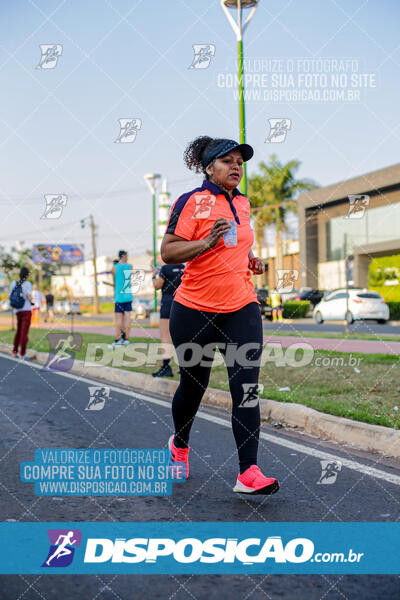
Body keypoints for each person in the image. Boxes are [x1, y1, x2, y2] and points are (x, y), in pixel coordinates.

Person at [160, 135, 280, 496]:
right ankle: (179, 446)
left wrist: (249, 261)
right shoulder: (193, 202)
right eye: (228, 161)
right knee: (193, 386)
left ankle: (248, 472)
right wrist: (205, 243)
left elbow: (238, 245)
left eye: (240, 162)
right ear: (209, 167)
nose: (236, 167)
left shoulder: (243, 204)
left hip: (241, 307)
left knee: (246, 388)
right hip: (194, 308)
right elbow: (168, 251)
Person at [151, 260, 184, 378]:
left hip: (168, 303)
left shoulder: (165, 269)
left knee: (165, 337)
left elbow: (157, 285)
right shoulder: (184, 267)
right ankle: (183, 368)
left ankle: (166, 367)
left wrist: (153, 274)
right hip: (182, 303)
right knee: (181, 337)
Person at [8, 267, 33, 360]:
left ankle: (14, 351)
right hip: (26, 310)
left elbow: (10, 295)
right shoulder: (27, 284)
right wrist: (32, 301)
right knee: (24, 333)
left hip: (17, 310)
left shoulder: (13, 283)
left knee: (18, 331)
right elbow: (29, 297)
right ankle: (22, 353)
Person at [112, 250, 132, 346]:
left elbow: (114, 279)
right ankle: (126, 339)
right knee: (127, 318)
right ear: (123, 256)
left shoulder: (115, 268)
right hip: (128, 296)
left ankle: (118, 339)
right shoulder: (130, 266)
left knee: (119, 320)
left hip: (119, 297)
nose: (127, 257)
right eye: (126, 256)